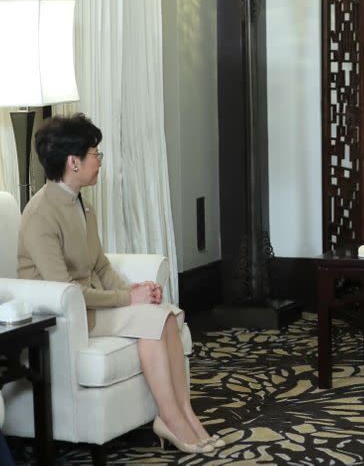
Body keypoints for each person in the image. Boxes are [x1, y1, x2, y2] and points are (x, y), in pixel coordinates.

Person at [17, 114, 224, 455]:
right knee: (156, 318)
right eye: (95, 153)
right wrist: (128, 298)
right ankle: (170, 419)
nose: (99, 161)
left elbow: (99, 264)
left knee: (167, 314)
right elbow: (64, 290)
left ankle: (185, 415)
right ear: (73, 162)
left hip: (91, 306)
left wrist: (138, 291)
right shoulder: (41, 214)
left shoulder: (81, 203)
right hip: (71, 318)